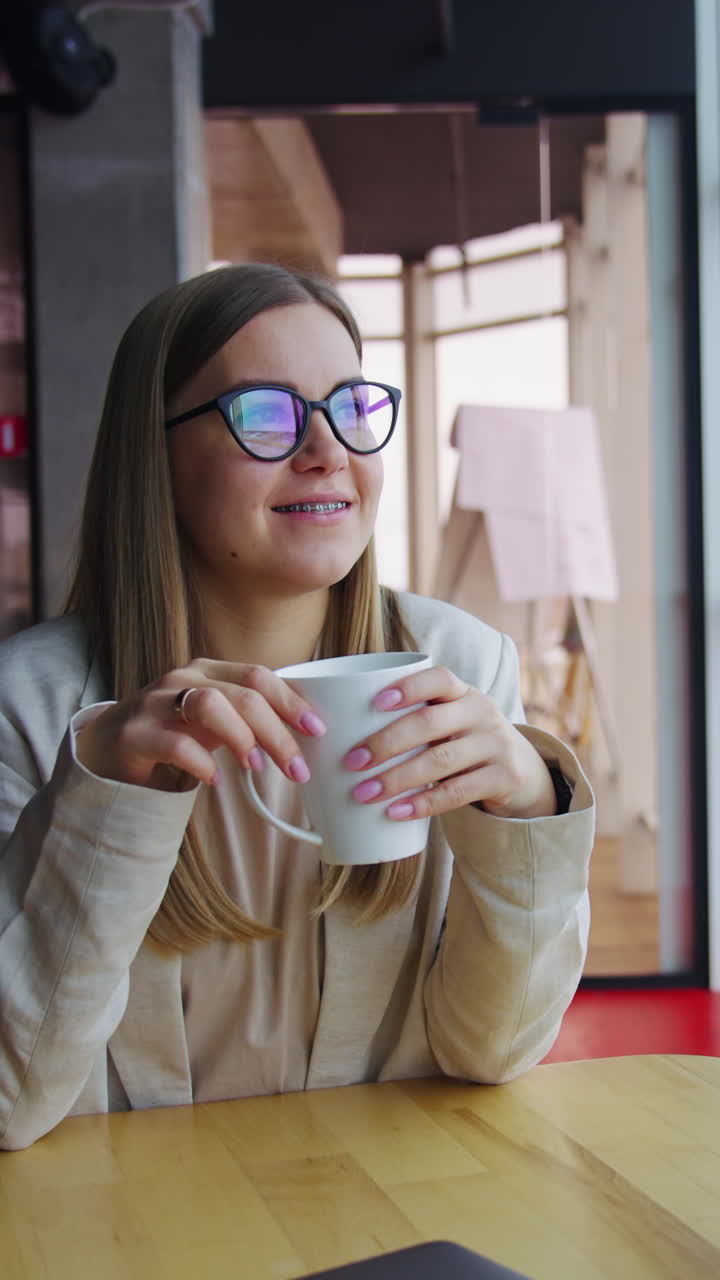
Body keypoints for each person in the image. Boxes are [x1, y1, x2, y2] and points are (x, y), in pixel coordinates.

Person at [0, 263, 594, 1151]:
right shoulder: (33, 708)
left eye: (351, 407)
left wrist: (528, 815)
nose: (329, 451)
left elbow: (492, 1049)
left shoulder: (461, 669)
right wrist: (105, 803)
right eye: (265, 414)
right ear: (153, 450)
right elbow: (10, 1102)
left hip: (388, 1209)